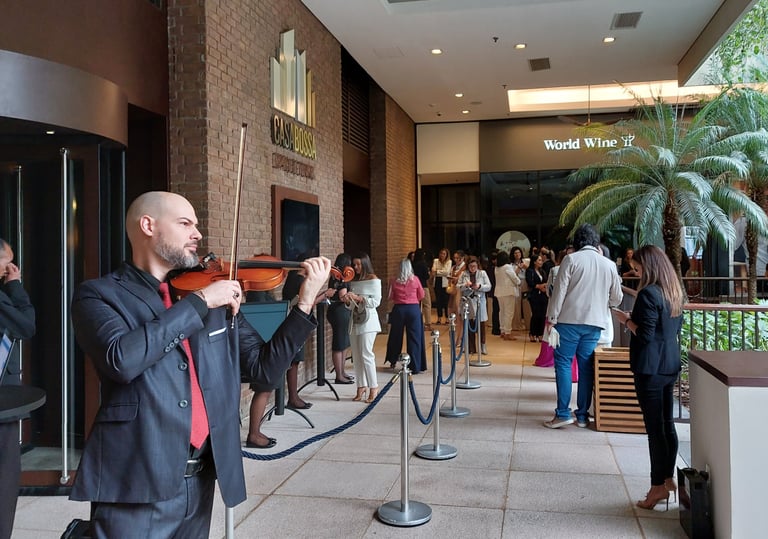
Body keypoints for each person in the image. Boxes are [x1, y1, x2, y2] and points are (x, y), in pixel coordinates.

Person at [68, 191, 331, 538]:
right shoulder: (99, 295)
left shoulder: (212, 294)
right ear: (148, 225)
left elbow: (265, 369)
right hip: (135, 482)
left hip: (202, 478)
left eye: (196, 224)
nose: (198, 234)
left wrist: (305, 303)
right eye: (185, 223)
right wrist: (200, 303)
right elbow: (121, 360)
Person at [612, 245, 684, 510]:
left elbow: (644, 335)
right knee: (668, 424)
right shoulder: (674, 291)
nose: (636, 270)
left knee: (655, 430)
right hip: (670, 364)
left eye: (638, 266)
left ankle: (656, 489)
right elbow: (670, 327)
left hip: (650, 369)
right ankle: (668, 479)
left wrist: (626, 321)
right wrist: (637, 319)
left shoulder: (648, 293)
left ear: (649, 266)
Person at [544, 223, 623, 430]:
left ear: (577, 242)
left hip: (569, 321)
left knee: (563, 364)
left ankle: (562, 413)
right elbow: (617, 298)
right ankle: (581, 416)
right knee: (586, 367)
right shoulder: (609, 265)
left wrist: (552, 318)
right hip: (595, 323)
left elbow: (559, 292)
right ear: (596, 242)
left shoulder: (571, 260)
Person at [0, 239, 36, 539]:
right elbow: (26, 325)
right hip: (2, 404)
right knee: (4, 475)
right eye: (6, 262)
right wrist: (15, 286)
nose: (10, 269)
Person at [346, 252, 382, 403]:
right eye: (354, 264)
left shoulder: (373, 279)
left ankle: (374, 387)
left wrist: (360, 298)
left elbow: (376, 302)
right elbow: (350, 307)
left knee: (366, 353)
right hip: (355, 319)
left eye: (358, 264)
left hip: (369, 320)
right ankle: (361, 386)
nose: (356, 267)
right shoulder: (353, 281)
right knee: (356, 355)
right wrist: (348, 300)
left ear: (365, 264)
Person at [384, 258, 427, 372]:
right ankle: (415, 365)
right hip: (413, 309)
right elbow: (421, 295)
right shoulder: (416, 280)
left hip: (398, 310)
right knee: (415, 338)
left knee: (395, 336)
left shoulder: (393, 280)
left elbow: (390, 297)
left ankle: (393, 360)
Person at [325, 253, 354, 384]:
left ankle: (342, 372)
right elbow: (343, 297)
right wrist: (352, 295)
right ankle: (339, 375)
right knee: (339, 343)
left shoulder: (335, 276)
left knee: (344, 342)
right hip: (339, 311)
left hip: (338, 311)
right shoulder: (341, 278)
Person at [457, 256, 491, 354]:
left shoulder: (482, 273)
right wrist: (465, 285)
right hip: (468, 302)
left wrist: (479, 286)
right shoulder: (464, 274)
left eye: (474, 266)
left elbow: (489, 286)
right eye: (471, 266)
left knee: (481, 326)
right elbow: (458, 286)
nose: (472, 268)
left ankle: (483, 346)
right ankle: (471, 348)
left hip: (479, 301)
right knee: (469, 325)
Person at [494, 250, 521, 341]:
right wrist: (519, 282)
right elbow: (514, 278)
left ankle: (502, 330)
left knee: (502, 312)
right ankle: (508, 333)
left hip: (499, 292)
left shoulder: (497, 268)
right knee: (509, 312)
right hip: (508, 292)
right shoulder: (507, 267)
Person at [525, 254, 548, 342]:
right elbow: (530, 283)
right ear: (534, 262)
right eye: (539, 260)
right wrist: (538, 286)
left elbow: (546, 281)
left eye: (541, 260)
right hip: (534, 295)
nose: (541, 262)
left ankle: (540, 334)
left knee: (542, 315)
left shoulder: (542, 271)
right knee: (535, 314)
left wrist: (544, 286)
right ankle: (532, 333)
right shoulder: (530, 271)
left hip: (543, 295)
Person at [430, 248, 452, 325]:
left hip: (445, 283)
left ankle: (447, 318)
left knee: (445, 301)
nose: (442, 255)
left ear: (446, 255)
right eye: (441, 253)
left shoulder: (449, 262)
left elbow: (447, 272)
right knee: (438, 301)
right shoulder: (436, 261)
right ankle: (439, 318)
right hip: (437, 282)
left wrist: (437, 271)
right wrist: (438, 272)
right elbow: (433, 270)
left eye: (444, 254)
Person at [412, 248, 432, 330]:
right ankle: (427, 324)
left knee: (416, 305)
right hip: (423, 286)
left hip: (414, 286)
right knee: (427, 304)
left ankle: (416, 322)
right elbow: (426, 276)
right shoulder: (423, 264)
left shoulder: (413, 264)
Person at [510, 246, 528, 330]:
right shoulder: (511, 264)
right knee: (517, 305)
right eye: (515, 253)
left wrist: (524, 266)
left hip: (525, 282)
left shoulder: (526, 261)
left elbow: (531, 270)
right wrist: (519, 267)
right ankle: (516, 324)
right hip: (516, 284)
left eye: (519, 253)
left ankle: (528, 324)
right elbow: (513, 275)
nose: (517, 254)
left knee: (526, 303)